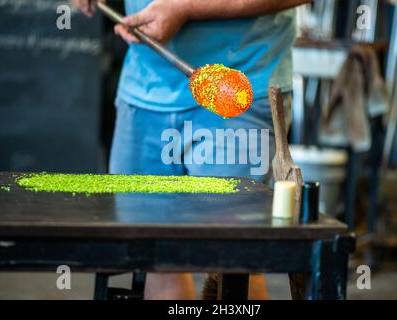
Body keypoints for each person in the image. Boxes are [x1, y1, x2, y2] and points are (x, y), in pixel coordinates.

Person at [72, 0, 310, 300]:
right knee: (158, 258)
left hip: (237, 86)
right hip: (146, 84)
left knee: (234, 263)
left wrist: (185, 7)